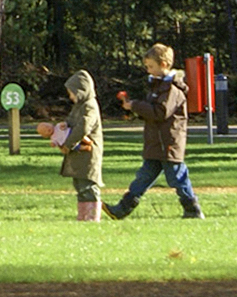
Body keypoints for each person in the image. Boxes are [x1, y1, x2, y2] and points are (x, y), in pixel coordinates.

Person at [106, 43, 205, 220]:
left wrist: (136, 105)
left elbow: (160, 112)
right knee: (143, 177)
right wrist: (135, 107)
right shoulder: (157, 87)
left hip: (168, 143)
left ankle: (192, 208)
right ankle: (122, 209)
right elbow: (152, 112)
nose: (148, 70)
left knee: (177, 177)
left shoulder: (172, 89)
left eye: (151, 66)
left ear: (164, 65)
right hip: (155, 142)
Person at [58, 70, 104, 221]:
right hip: (79, 153)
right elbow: (73, 121)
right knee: (79, 184)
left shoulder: (89, 106)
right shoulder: (79, 106)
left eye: (72, 93)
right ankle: (83, 215)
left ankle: (92, 216)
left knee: (88, 184)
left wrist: (69, 143)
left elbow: (83, 128)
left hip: (88, 152)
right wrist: (65, 125)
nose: (70, 97)